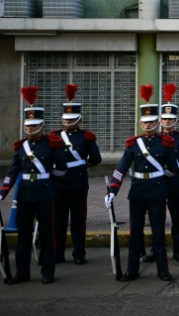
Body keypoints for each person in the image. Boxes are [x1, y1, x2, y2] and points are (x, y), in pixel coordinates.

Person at [106, 85, 178, 282]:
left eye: (151, 121)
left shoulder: (165, 143)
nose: (148, 125)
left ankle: (163, 270)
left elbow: (173, 169)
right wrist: (113, 190)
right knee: (135, 234)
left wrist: (160, 176)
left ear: (157, 122)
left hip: (157, 191)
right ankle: (132, 270)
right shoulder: (133, 144)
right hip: (137, 192)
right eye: (145, 122)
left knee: (158, 233)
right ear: (141, 122)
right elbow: (121, 168)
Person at [0, 87, 67, 284]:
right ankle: (22, 273)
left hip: (45, 194)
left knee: (47, 234)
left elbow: (62, 169)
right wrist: (2, 193)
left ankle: (48, 272)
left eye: (33, 125)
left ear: (42, 125)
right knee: (23, 237)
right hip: (24, 195)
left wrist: (47, 180)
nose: (30, 128)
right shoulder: (20, 147)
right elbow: (12, 173)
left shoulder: (51, 144)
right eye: (28, 125)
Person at [140, 83, 179, 264]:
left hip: (174, 184)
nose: (167, 122)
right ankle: (156, 251)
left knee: (176, 218)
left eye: (170, 119)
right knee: (157, 219)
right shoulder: (155, 138)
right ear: (159, 120)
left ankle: (178, 250)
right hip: (156, 184)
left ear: (175, 120)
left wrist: (176, 173)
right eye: (164, 119)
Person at [51, 83, 101, 265]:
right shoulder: (55, 136)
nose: (67, 122)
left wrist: (83, 165)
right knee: (59, 220)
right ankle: (58, 252)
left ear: (78, 119)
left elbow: (96, 158)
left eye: (71, 119)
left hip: (78, 183)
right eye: (66, 119)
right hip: (59, 182)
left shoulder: (85, 137)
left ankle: (79, 253)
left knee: (78, 221)